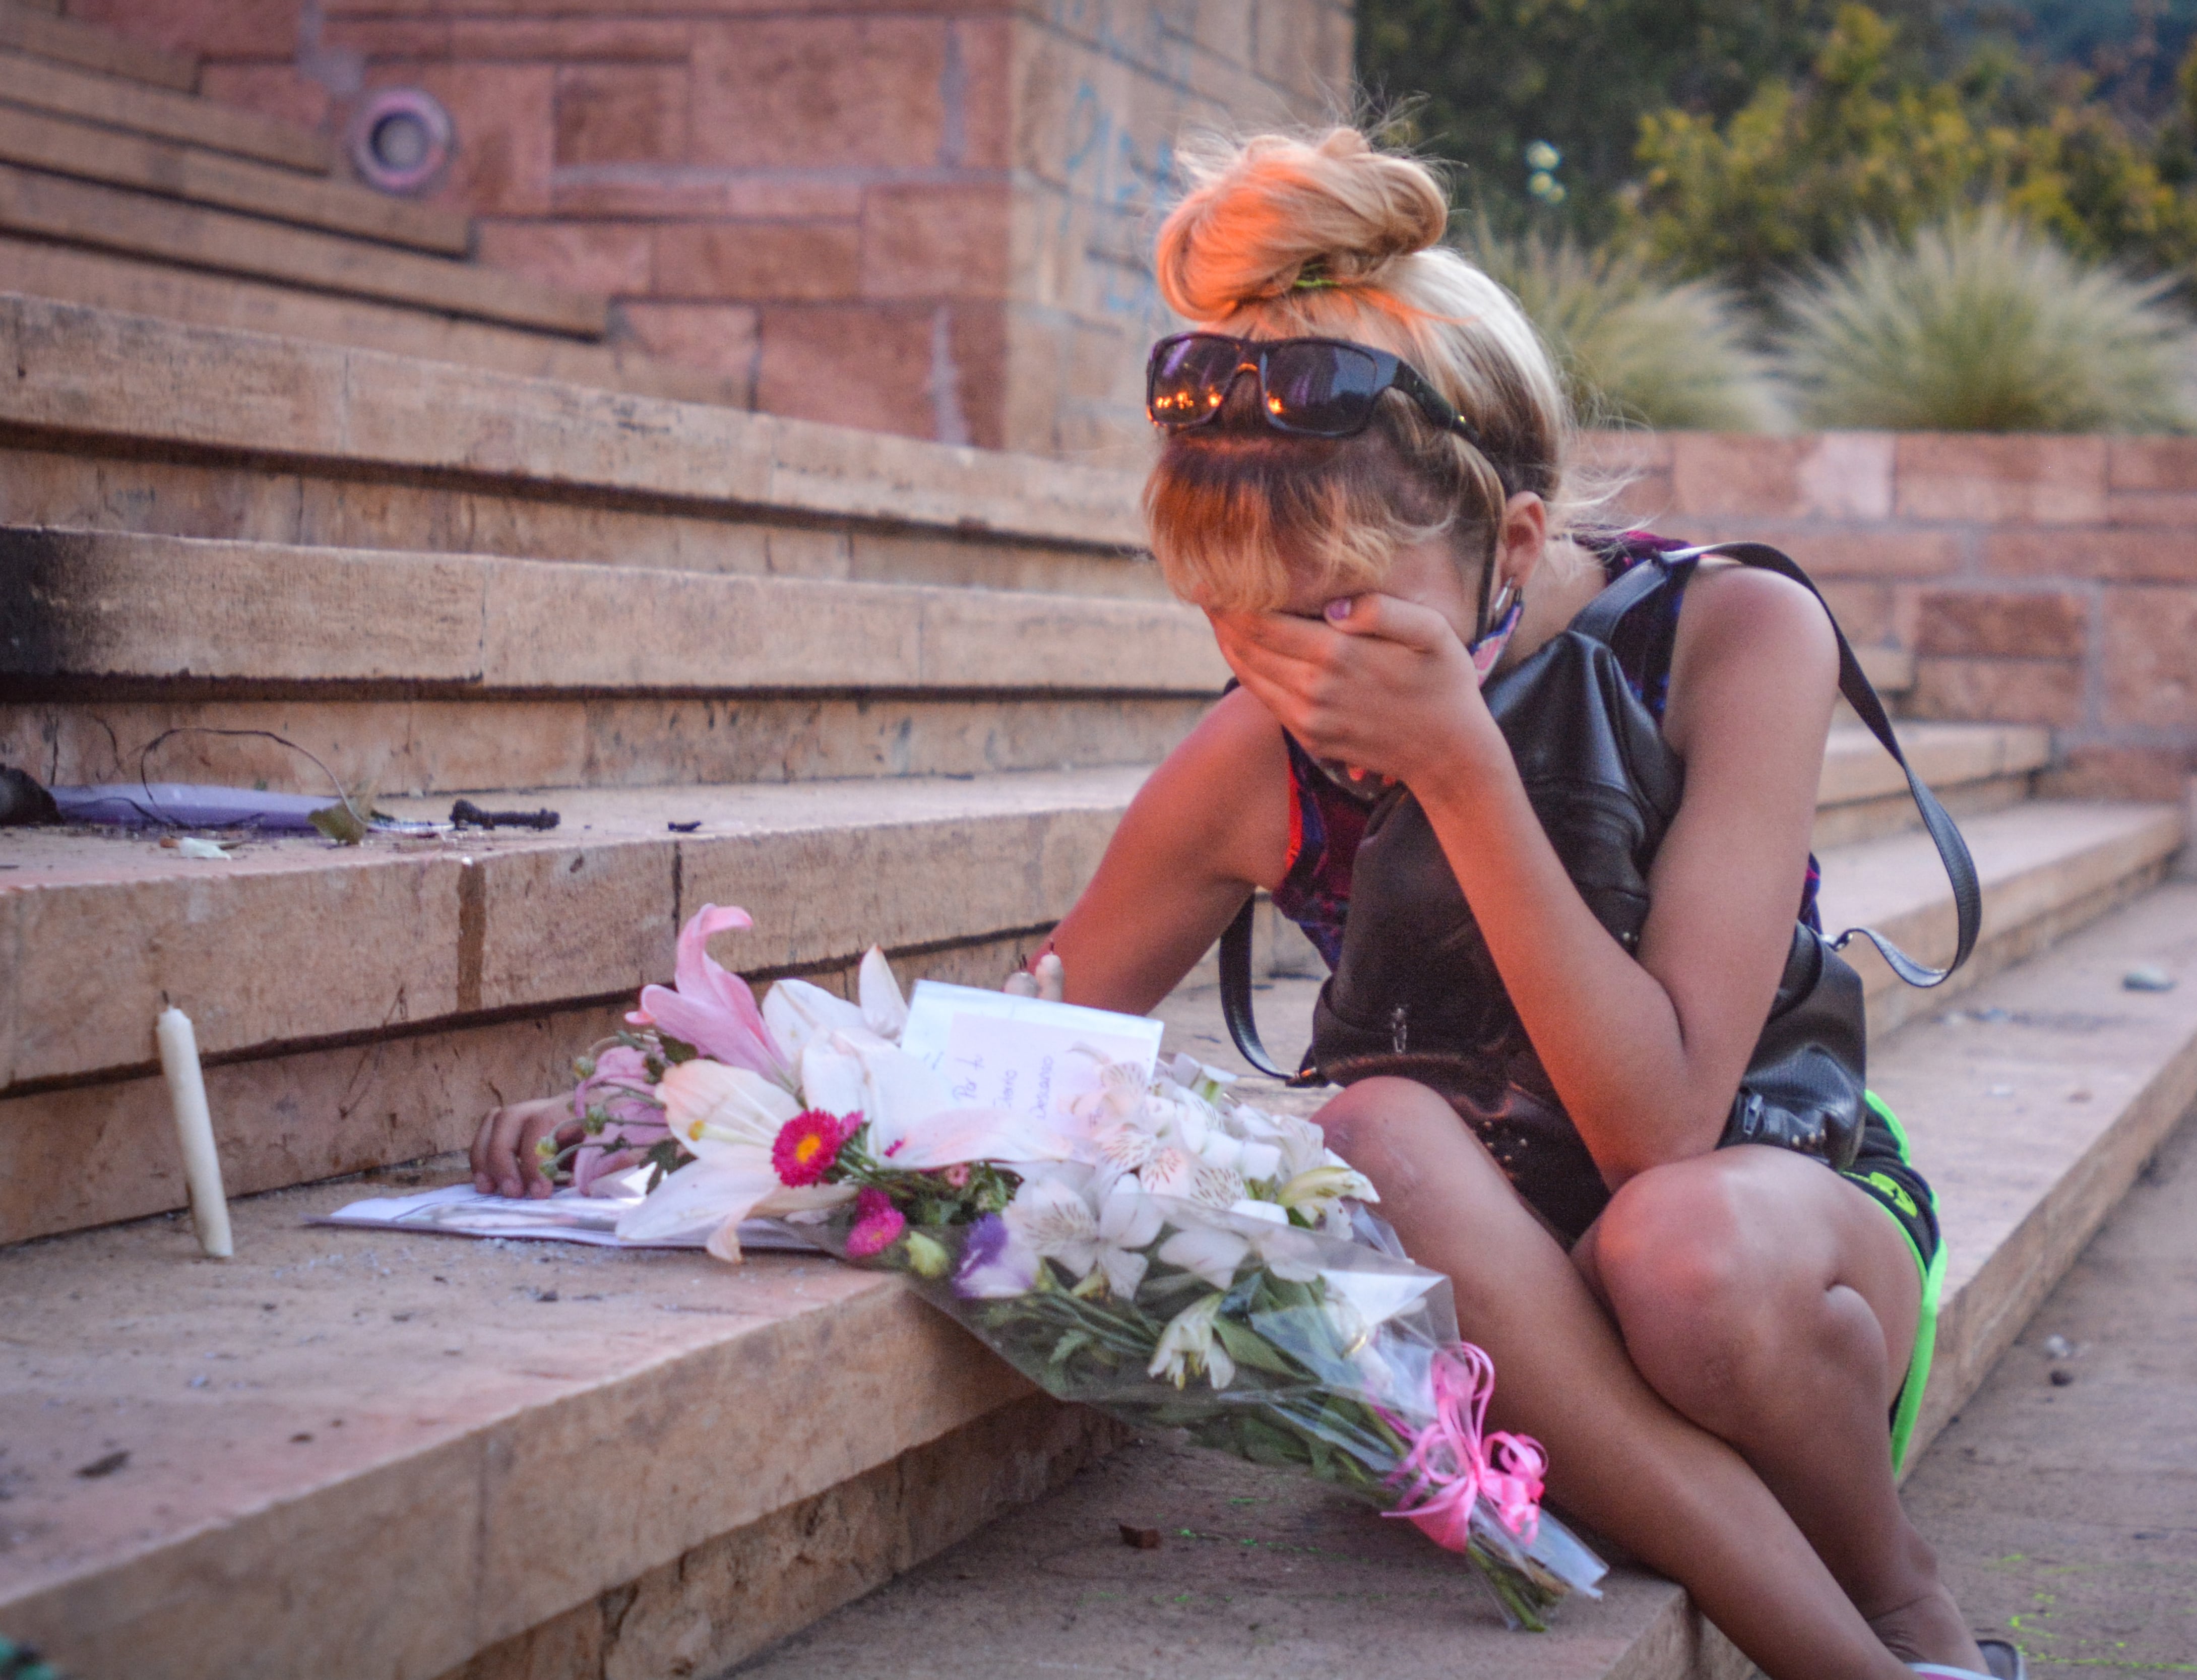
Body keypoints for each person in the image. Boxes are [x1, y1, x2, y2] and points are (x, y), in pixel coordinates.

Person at [473, 127, 1992, 1680]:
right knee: (1378, 1127)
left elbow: (1663, 1128)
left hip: (1771, 1253)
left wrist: (1463, 778)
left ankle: (1902, 1602)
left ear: (1515, 546)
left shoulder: (1735, 634)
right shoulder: (1256, 752)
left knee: (1680, 1251)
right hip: (1506, 1314)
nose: (1293, 669)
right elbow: (1009, 1055)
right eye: (1239, 618)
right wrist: (673, 1118)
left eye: (1339, 613)